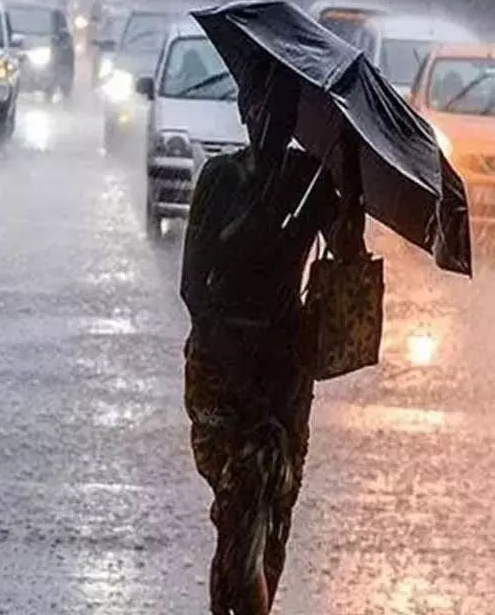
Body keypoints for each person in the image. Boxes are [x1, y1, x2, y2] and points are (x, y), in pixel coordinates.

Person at [181, 65, 365, 614]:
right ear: (242, 110)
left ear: (294, 118)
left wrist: (349, 183)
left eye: (280, 109)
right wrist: (236, 364)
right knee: (240, 508)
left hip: (285, 375)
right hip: (221, 373)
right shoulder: (219, 180)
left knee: (274, 518)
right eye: (257, 106)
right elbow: (193, 287)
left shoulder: (308, 181)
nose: (267, 119)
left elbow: (348, 255)